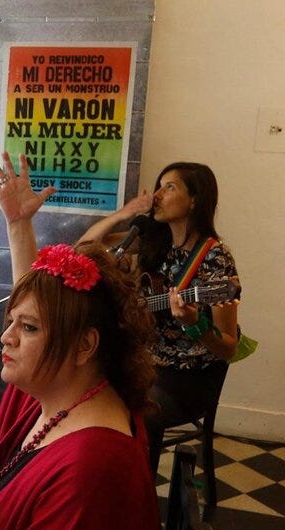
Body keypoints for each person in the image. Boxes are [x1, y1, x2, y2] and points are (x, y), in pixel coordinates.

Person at [0, 152, 160, 530]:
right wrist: (19, 224)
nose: (7, 336)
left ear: (85, 345)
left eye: (26, 329)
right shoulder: (57, 388)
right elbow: (46, 309)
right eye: (11, 323)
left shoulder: (93, 470)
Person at [79, 162, 240, 474]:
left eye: (170, 187)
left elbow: (229, 347)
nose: (157, 195)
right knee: (88, 392)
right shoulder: (157, 240)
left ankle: (138, 497)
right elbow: (86, 249)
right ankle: (99, 483)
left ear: (194, 200)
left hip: (188, 378)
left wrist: (195, 324)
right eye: (159, 186)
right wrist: (126, 213)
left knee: (136, 411)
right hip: (148, 364)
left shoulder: (216, 260)